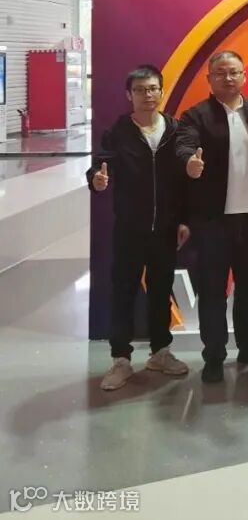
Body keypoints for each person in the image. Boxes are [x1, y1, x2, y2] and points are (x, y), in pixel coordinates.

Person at [89, 65, 191, 391]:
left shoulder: (175, 129)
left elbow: (182, 181)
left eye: (152, 89)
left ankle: (160, 352)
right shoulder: (118, 132)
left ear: (161, 91)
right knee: (124, 292)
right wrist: (96, 179)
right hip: (130, 229)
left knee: (161, 292)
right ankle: (121, 359)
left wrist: (183, 219)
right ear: (128, 95)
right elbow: (100, 165)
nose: (147, 95)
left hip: (166, 228)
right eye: (140, 90)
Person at [176, 51, 248, 383]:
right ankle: (214, 355)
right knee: (213, 290)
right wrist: (189, 162)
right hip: (213, 221)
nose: (228, 78)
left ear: (244, 76)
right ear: (210, 79)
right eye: (220, 73)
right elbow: (184, 146)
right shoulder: (195, 116)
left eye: (234, 72)